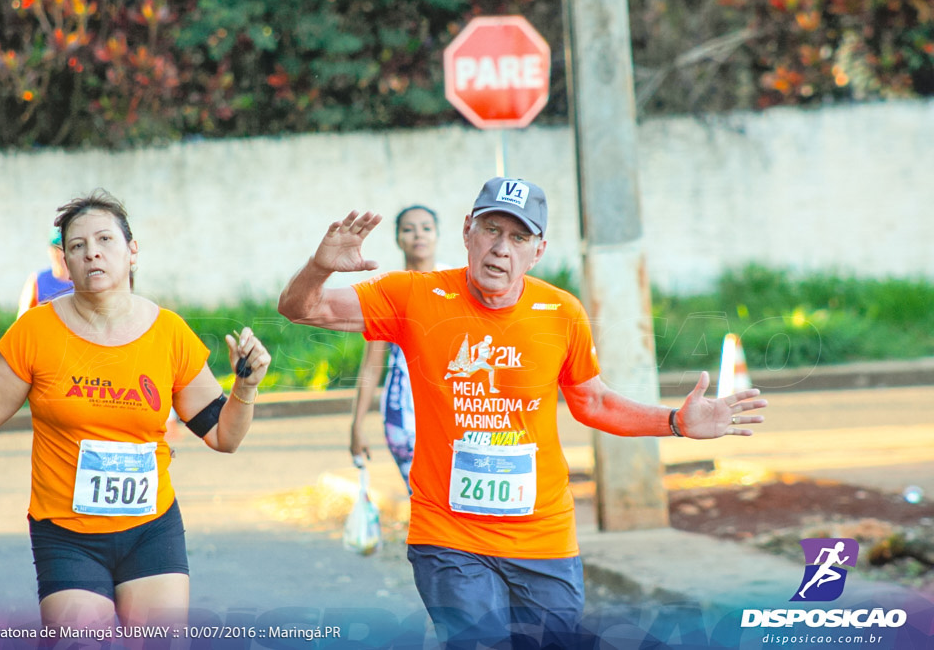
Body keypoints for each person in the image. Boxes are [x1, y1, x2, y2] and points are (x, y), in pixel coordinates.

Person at [277, 177, 768, 649]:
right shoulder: (415, 295)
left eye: (518, 236)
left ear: (538, 251)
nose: (500, 248)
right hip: (449, 532)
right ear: (467, 229)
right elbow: (302, 309)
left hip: (542, 534)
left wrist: (675, 423)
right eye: (491, 229)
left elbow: (592, 402)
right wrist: (320, 268)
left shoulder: (561, 313)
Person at [0, 189, 271, 632]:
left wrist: (246, 387)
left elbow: (224, 436)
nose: (92, 254)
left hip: (151, 529)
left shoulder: (169, 333)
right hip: (66, 534)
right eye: (77, 246)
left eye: (105, 241)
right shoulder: (35, 332)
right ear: (64, 261)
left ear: (132, 251)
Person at [349, 205, 445, 489]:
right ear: (398, 239)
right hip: (404, 415)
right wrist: (357, 425)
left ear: (437, 235)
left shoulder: (457, 286)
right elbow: (372, 364)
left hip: (452, 410)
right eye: (408, 229)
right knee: (422, 496)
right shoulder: (389, 291)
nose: (418, 235)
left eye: (426, 228)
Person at [17, 226, 74, 316]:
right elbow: (23, 317)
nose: (60, 254)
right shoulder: (38, 280)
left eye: (64, 249)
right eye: (56, 249)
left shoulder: (82, 280)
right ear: (50, 251)